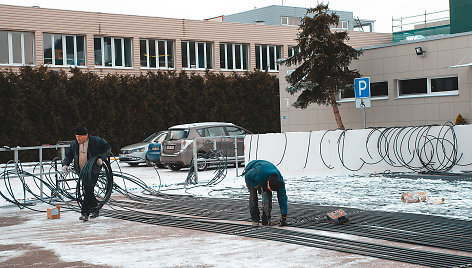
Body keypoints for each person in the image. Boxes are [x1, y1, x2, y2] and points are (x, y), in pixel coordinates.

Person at [62, 127, 111, 221]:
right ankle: (95, 209)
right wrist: (65, 164)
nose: (78, 139)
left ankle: (84, 213)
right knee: (88, 191)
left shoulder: (96, 141)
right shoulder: (75, 144)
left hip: (93, 170)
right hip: (81, 172)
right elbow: (69, 155)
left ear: (86, 136)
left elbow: (107, 148)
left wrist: (102, 158)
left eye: (80, 137)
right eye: (76, 137)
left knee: (87, 190)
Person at [244, 160, 288, 226]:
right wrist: (256, 186)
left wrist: (284, 217)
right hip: (251, 175)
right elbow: (247, 176)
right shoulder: (257, 172)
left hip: (265, 173)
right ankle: (255, 219)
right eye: (270, 188)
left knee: (267, 195)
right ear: (268, 183)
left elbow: (283, 199)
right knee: (253, 196)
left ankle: (266, 219)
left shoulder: (280, 182)